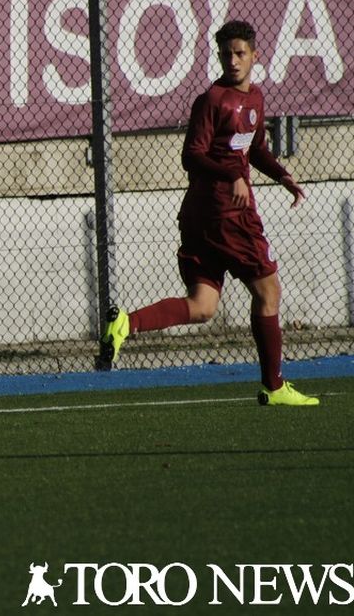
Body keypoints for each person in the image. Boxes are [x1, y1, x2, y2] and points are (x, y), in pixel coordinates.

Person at [96, 20, 318, 406]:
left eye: (239, 53)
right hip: (225, 213)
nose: (232, 61)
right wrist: (233, 174)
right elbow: (191, 156)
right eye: (225, 54)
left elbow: (256, 150)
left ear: (254, 56)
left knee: (203, 306)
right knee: (268, 290)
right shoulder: (214, 100)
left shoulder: (255, 98)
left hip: (202, 215)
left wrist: (282, 176)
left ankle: (125, 324)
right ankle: (275, 386)